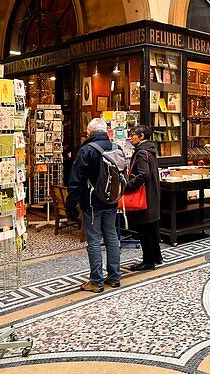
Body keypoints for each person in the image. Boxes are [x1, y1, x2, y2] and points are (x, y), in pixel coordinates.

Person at [65, 117, 122, 293]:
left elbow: (76, 181)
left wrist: (71, 205)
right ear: (105, 131)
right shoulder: (116, 148)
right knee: (112, 237)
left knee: (94, 240)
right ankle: (114, 277)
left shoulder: (87, 150)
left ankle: (96, 281)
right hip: (111, 200)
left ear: (89, 133)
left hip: (91, 202)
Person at [124, 125, 162, 271]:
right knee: (152, 228)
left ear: (141, 136)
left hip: (144, 196)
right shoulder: (150, 150)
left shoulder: (141, 152)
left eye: (133, 134)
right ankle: (157, 256)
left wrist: (128, 186)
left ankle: (148, 261)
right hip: (152, 194)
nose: (130, 137)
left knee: (144, 229)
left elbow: (143, 174)